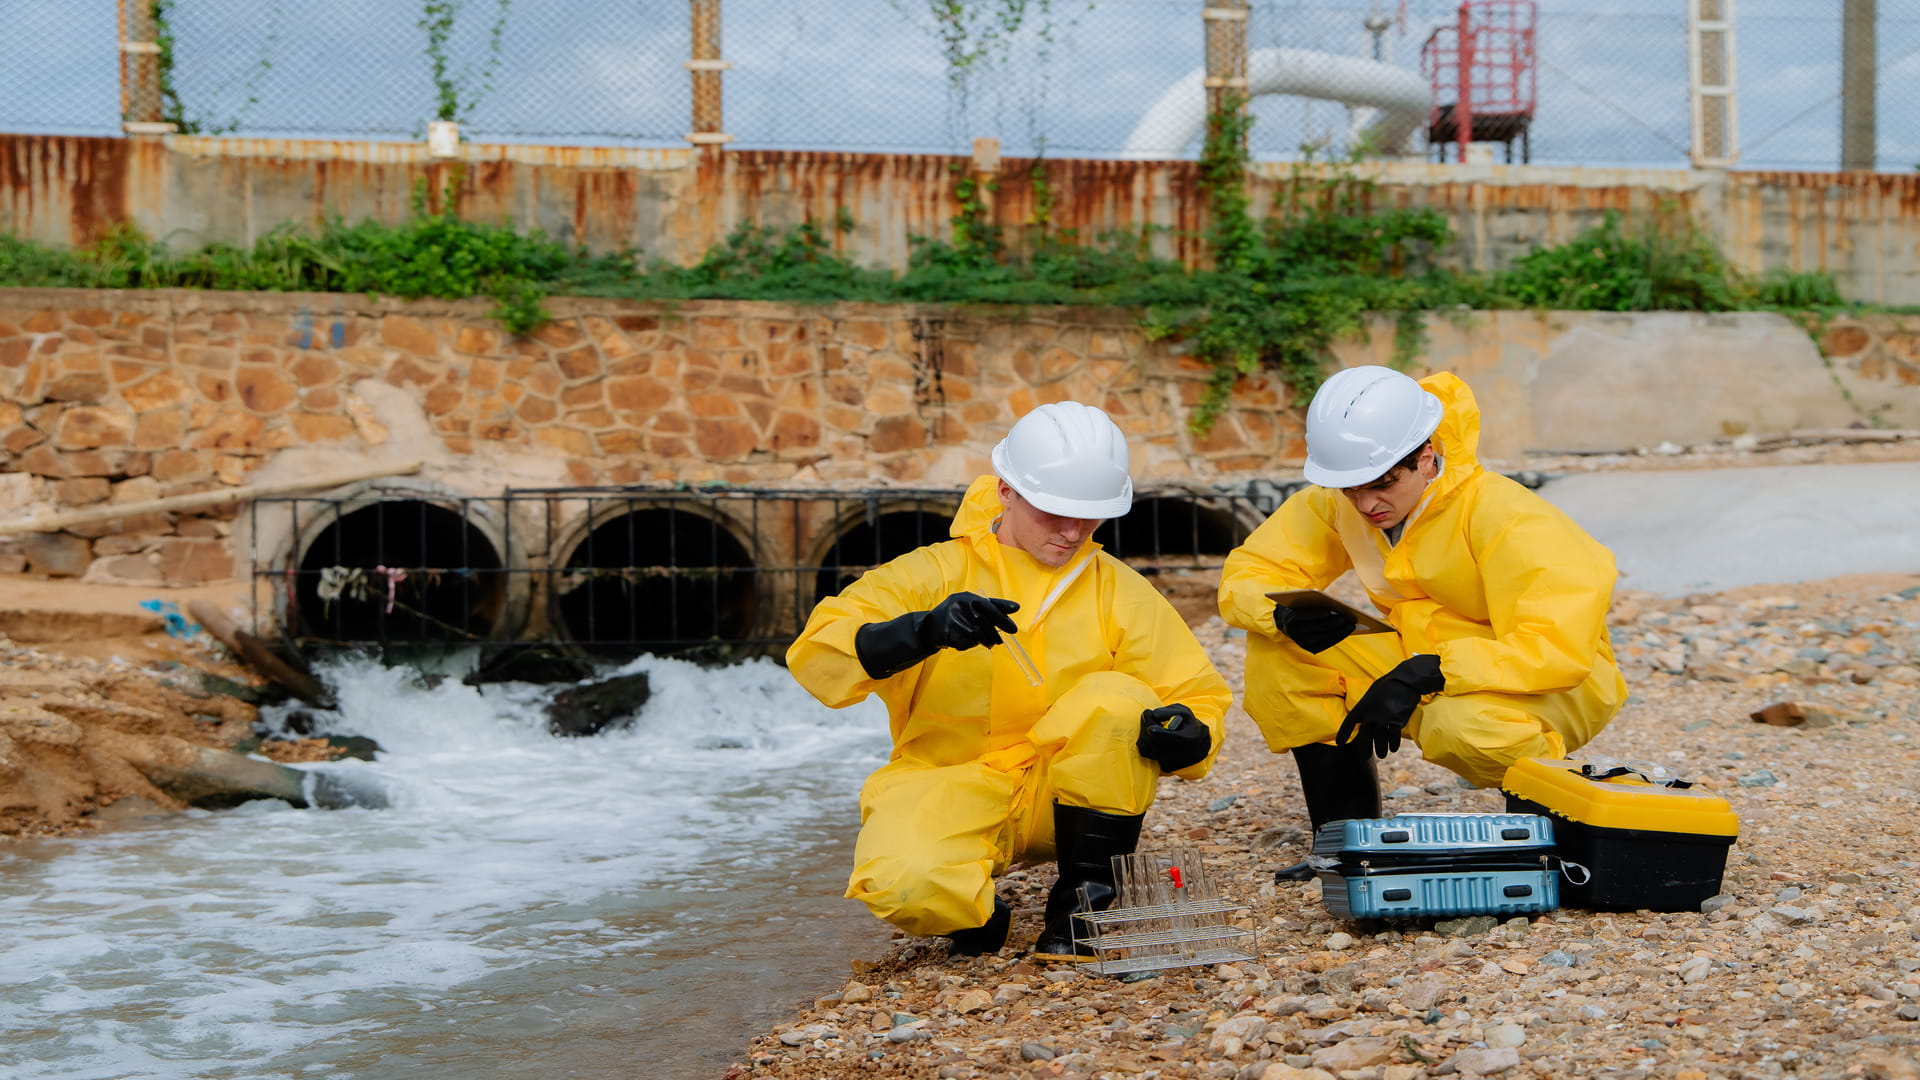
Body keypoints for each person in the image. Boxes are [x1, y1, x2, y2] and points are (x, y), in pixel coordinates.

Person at [787, 401, 1231, 959]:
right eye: (1053, 512)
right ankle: (979, 917)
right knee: (902, 885)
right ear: (1006, 492)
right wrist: (924, 630)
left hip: (1065, 793)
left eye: (1088, 516)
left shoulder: (1118, 588)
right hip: (945, 783)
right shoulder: (932, 573)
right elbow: (816, 654)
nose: (1072, 533)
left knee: (1117, 700)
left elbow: (1196, 693)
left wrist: (1194, 735)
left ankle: (1079, 918)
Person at [1218, 366, 1626, 881]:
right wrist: (1279, 611)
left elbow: (1552, 647)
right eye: (1350, 489)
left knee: (1468, 729)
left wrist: (1427, 673)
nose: (1366, 504)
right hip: (1422, 658)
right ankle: (1347, 845)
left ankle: (1551, 848)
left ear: (1427, 457)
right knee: (1282, 650)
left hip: (1560, 677)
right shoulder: (1343, 500)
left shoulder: (1508, 515)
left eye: (1383, 485)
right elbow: (1252, 571)